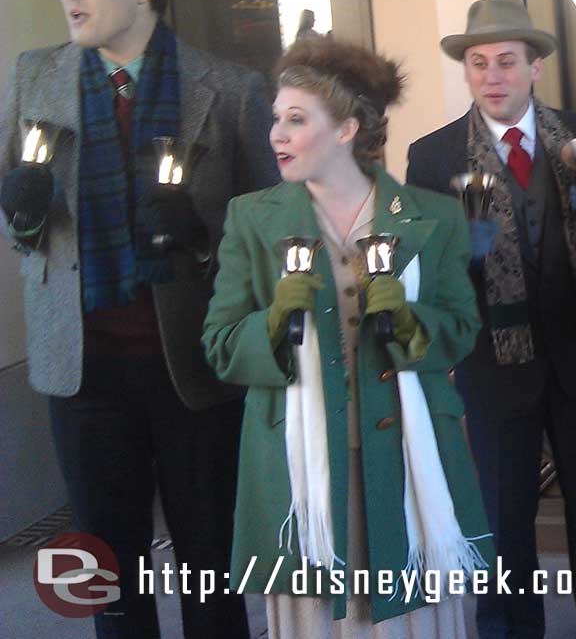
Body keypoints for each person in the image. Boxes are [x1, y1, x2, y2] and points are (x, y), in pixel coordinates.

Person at [0, 0, 274, 638]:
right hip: (81, 368)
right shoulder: (35, 76)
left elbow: (272, 237)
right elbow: (20, 220)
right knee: (107, 570)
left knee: (210, 561)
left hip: (193, 367)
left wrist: (204, 242)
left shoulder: (233, 89)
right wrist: (22, 216)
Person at [203, 36, 492, 635]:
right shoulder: (251, 219)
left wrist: (412, 323)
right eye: (275, 120)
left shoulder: (432, 217)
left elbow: (462, 332)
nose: (276, 135)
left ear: (345, 130)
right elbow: (222, 345)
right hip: (299, 475)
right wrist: (274, 321)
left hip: (410, 464)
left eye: (296, 119)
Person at [406, 0, 576, 639]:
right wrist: (464, 248)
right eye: (478, 63)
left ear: (534, 67)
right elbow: (424, 270)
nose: (492, 75)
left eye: (506, 61)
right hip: (491, 366)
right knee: (502, 519)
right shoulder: (433, 156)